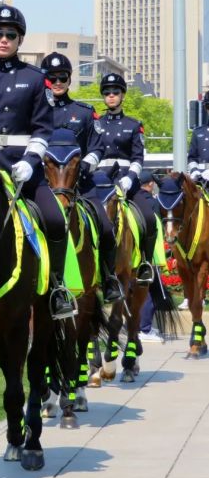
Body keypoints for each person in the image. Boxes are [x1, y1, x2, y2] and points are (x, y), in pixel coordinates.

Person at [0, 5, 76, 319]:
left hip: (20, 169)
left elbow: (42, 128)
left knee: (56, 220)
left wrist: (32, 161)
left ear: (19, 39)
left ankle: (58, 288)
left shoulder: (35, 79)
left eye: (10, 34)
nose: (3, 39)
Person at [41, 52, 122, 303]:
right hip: (43, 185)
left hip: (79, 185)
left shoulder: (84, 112)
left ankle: (109, 279)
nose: (57, 82)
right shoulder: (33, 113)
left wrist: (87, 164)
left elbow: (98, 146)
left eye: (62, 77)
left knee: (106, 227)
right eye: (51, 78)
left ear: (69, 79)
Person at [97, 73, 156, 284]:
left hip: (126, 181)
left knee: (149, 218)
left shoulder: (133, 124)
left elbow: (138, 157)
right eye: (107, 93)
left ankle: (145, 264)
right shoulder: (96, 123)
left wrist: (131, 177)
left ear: (122, 95)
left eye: (115, 92)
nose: (111, 96)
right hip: (100, 182)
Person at [136, 170, 164, 341]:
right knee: (151, 292)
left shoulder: (132, 201)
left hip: (134, 255)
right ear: (151, 184)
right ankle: (145, 329)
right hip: (150, 253)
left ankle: (135, 325)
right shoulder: (153, 203)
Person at [187, 91, 209, 183]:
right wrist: (194, 170)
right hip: (202, 180)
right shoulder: (198, 132)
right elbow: (192, 158)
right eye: (208, 107)